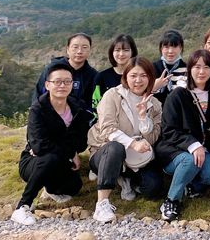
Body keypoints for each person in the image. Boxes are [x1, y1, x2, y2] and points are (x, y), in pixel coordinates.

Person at [11, 62, 92, 226]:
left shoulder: (77, 108)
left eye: (67, 81)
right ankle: (23, 206)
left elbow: (81, 142)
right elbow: (39, 146)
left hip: (61, 159)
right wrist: (70, 152)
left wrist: (70, 150)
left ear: (72, 84)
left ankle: (48, 187)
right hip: (34, 161)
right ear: (47, 85)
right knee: (49, 158)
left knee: (73, 187)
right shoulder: (38, 109)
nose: (62, 85)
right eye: (57, 81)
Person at [87, 57, 163, 223]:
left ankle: (125, 179)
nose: (138, 80)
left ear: (151, 77)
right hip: (105, 152)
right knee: (115, 148)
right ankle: (102, 204)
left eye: (143, 75)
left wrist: (143, 118)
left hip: (136, 159)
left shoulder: (155, 104)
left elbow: (152, 138)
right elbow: (107, 129)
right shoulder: (113, 95)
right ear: (125, 77)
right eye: (133, 75)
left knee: (153, 188)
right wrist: (133, 143)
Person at [155, 49, 210, 222]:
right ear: (189, 69)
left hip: (203, 150)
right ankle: (171, 201)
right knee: (190, 161)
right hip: (174, 151)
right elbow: (168, 130)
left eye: (206, 67)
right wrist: (193, 145)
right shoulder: (177, 95)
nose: (201, 71)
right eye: (197, 67)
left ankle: (191, 183)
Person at [32, 32, 97, 116]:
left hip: (79, 119)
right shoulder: (52, 69)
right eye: (75, 47)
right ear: (68, 49)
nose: (79, 51)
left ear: (90, 50)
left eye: (84, 47)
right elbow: (39, 94)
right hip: (49, 116)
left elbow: (92, 104)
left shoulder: (93, 75)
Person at [92, 34, 138, 111]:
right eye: (117, 50)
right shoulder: (102, 77)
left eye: (126, 50)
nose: (121, 54)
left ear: (132, 52)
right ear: (112, 52)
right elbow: (96, 104)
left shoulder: (139, 75)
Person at [152, 30, 188, 105]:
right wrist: (154, 87)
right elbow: (142, 94)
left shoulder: (188, 69)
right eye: (166, 47)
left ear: (181, 48)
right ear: (161, 48)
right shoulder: (152, 68)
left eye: (175, 46)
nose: (170, 51)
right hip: (156, 111)